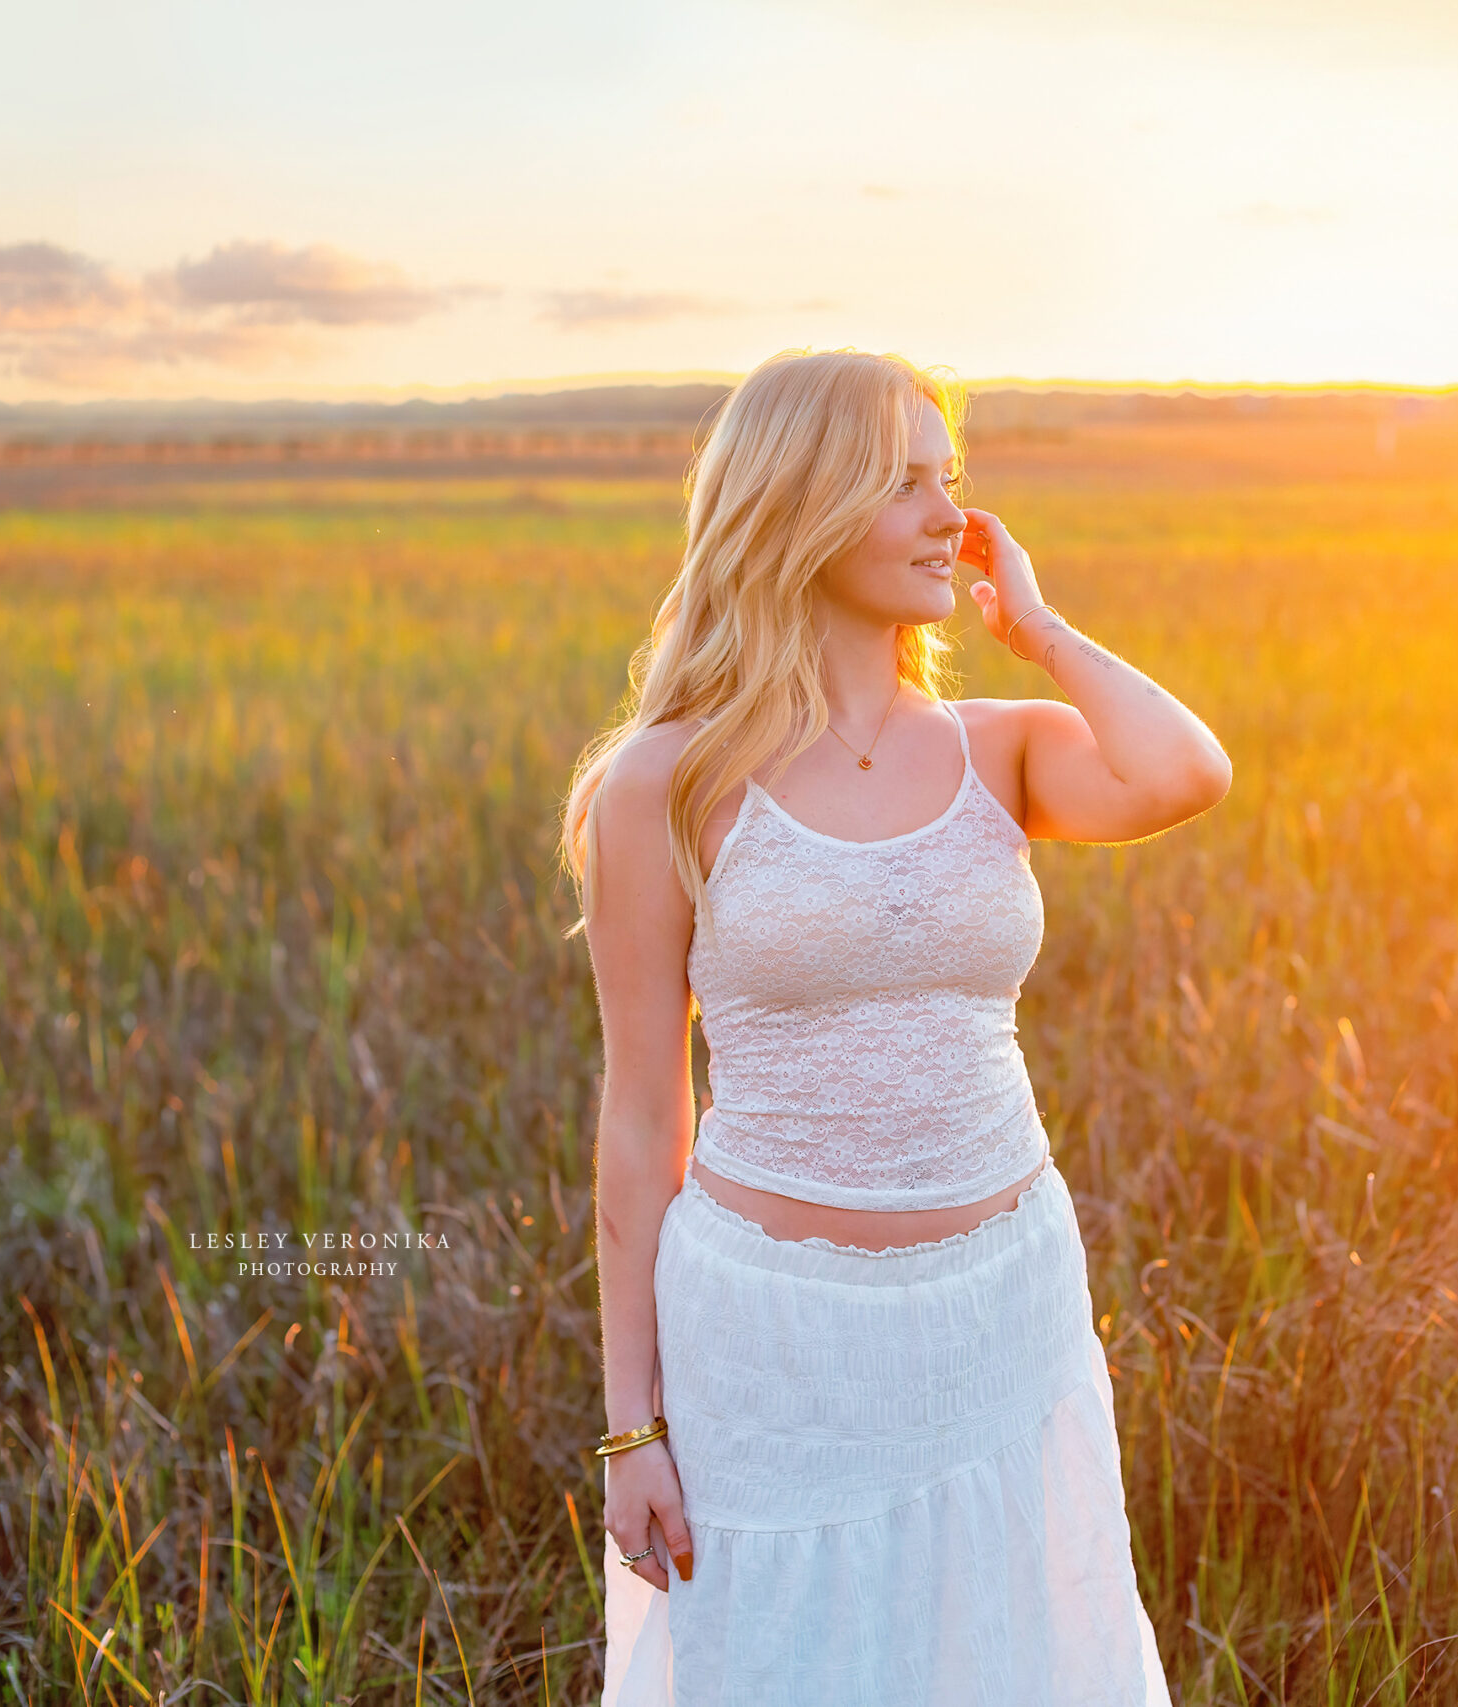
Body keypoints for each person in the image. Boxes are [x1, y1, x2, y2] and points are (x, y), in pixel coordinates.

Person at [559, 347, 1232, 1705]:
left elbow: (1185, 772)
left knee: (1017, 1658)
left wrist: (1038, 631)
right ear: (797, 504)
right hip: (772, 1340)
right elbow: (642, 1114)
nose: (952, 517)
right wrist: (631, 1431)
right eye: (904, 484)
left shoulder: (1004, 746)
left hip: (1007, 1312)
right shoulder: (669, 783)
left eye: (954, 481)